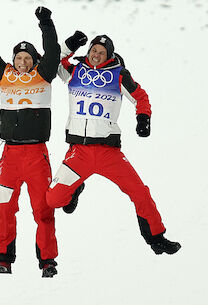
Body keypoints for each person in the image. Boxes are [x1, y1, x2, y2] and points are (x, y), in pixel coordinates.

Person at [47, 32, 181, 255]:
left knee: (140, 192)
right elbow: (52, 62)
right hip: (78, 153)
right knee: (53, 200)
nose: (96, 55)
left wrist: (143, 118)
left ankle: (156, 238)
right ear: (88, 51)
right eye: (93, 51)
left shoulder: (118, 75)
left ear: (109, 55)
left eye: (101, 52)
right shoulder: (74, 72)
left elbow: (141, 97)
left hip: (109, 153)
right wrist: (69, 46)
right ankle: (75, 188)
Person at [0, 3, 69, 278]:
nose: (23, 62)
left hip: (36, 153)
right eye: (19, 58)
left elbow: (52, 52)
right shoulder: (4, 75)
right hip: (10, 156)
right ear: (13, 60)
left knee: (43, 209)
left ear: (34, 60)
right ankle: (4, 258)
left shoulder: (44, 73)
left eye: (27, 58)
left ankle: (47, 261)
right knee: (5, 208)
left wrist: (46, 23)